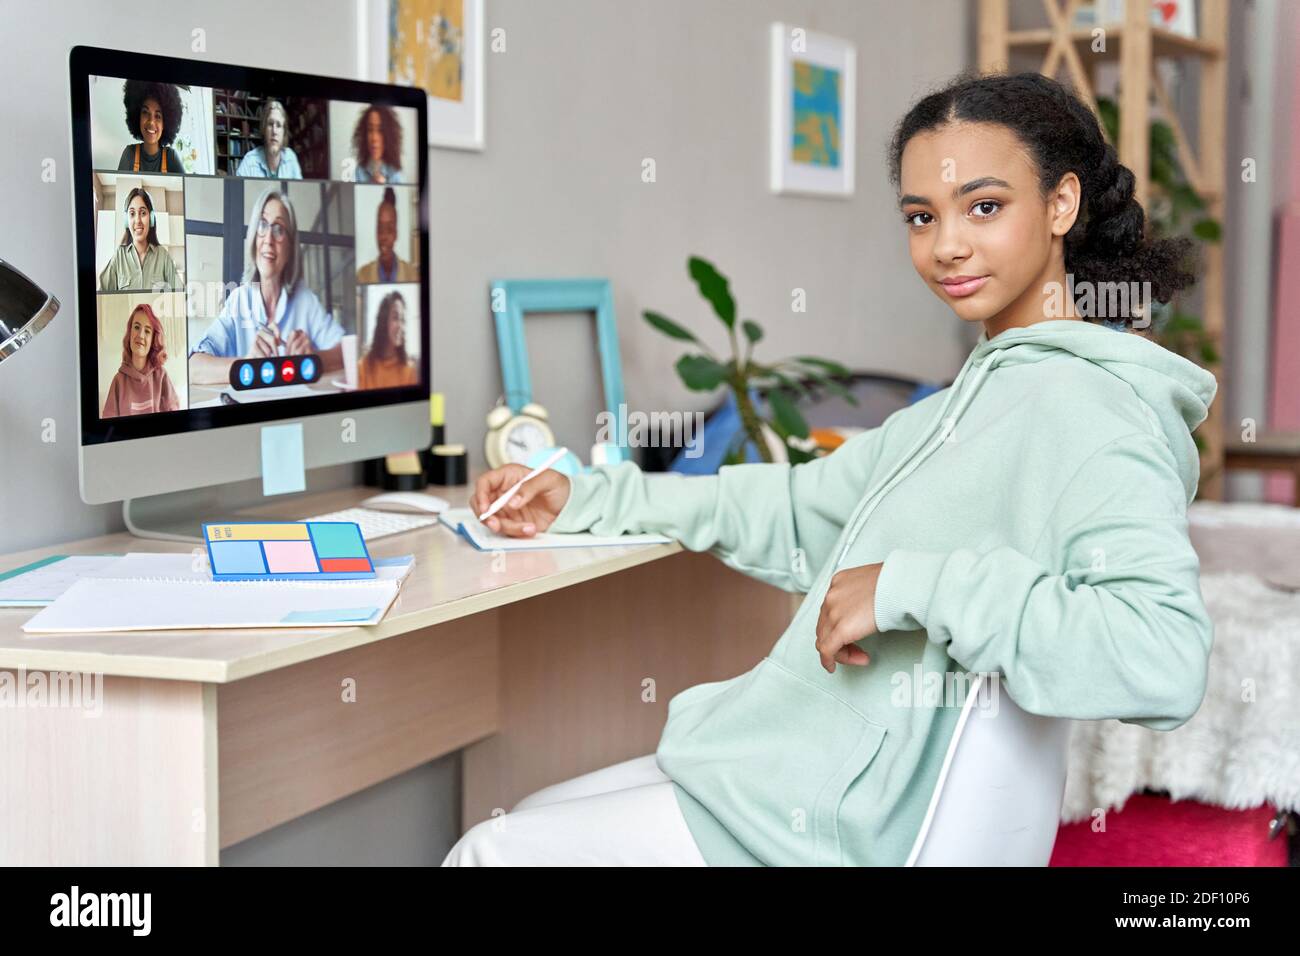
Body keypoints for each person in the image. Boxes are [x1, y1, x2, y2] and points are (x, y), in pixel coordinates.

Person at [443, 72, 1219, 866]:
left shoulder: (1091, 406)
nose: (946, 244)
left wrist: (912, 586)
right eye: (922, 217)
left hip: (835, 824)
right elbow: (795, 506)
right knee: (532, 810)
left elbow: (1160, 653)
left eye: (983, 206)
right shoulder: (967, 405)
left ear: (1061, 204)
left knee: (488, 851)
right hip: (811, 783)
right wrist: (590, 492)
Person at [188, 185, 345, 385]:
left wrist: (312, 359)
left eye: (279, 229)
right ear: (254, 237)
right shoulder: (239, 300)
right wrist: (247, 366)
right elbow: (193, 367)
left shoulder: (305, 301)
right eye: (262, 225)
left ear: (290, 246)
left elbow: (346, 349)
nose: (268, 239)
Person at [101, 303, 181, 418]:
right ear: (130, 333)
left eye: (147, 331)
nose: (141, 335)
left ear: (153, 339)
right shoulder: (118, 381)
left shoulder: (161, 376)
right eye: (137, 327)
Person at [98, 187, 180, 292]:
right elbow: (100, 298)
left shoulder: (163, 256)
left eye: (143, 213)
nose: (138, 220)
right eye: (132, 214)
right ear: (126, 221)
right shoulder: (119, 256)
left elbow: (179, 295)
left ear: (151, 218)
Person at [115, 80, 185, 174]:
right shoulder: (129, 153)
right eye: (145, 112)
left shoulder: (171, 157)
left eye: (158, 116)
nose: (151, 122)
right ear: (137, 117)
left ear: (165, 124)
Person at [358, 291, 418, 389]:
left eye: (403, 320)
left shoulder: (409, 370)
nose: (401, 326)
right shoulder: (363, 367)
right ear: (383, 322)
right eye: (396, 318)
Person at [356, 187, 418, 283]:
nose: (383, 237)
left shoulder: (413, 275)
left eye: (389, 229)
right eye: (380, 229)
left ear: (396, 234)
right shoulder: (362, 276)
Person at [235, 98, 303, 179]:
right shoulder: (249, 161)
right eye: (270, 124)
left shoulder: (290, 158)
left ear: (284, 132)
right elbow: (236, 191)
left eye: (279, 125)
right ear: (264, 129)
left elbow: (299, 191)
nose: (274, 131)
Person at [352, 104, 404, 183]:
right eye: (370, 129)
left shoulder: (396, 174)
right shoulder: (358, 172)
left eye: (380, 130)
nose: (374, 138)